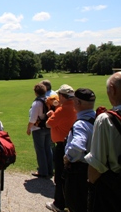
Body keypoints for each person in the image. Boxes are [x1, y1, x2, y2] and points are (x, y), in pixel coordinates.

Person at [85, 72, 121, 211]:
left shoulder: (105, 119)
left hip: (112, 189)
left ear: (112, 89)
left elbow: (97, 164)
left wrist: (91, 186)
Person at [61, 88, 96, 212]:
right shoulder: (98, 118)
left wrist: (67, 158)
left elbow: (77, 146)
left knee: (75, 205)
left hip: (79, 171)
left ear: (78, 103)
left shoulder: (80, 124)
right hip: (94, 168)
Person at [45, 84, 77, 212]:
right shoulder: (76, 107)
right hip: (72, 144)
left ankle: (58, 203)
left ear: (63, 96)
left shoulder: (61, 110)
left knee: (59, 176)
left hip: (62, 145)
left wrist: (51, 114)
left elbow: (49, 124)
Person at [27, 83, 53, 178]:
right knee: (48, 149)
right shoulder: (48, 100)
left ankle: (43, 171)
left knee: (40, 150)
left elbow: (33, 119)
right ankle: (50, 170)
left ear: (35, 92)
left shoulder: (37, 103)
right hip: (48, 127)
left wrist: (28, 128)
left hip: (38, 129)